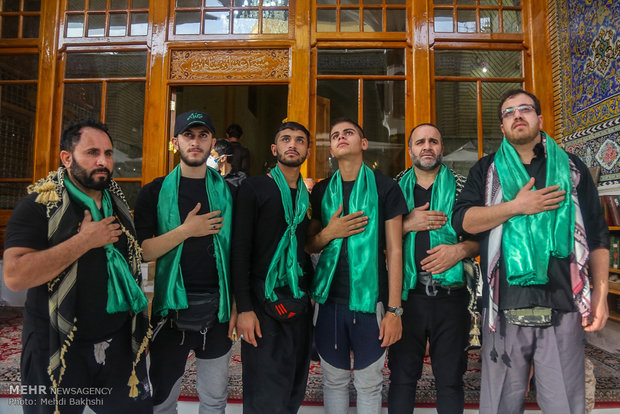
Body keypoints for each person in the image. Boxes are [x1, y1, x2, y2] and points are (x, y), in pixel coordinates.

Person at [452, 89, 610, 414]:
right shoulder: (486, 171)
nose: (517, 115)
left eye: (525, 109)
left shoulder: (572, 167)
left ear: (539, 118)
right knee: (500, 407)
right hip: (505, 307)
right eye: (509, 112)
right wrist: (516, 207)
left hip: (563, 304)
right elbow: (464, 221)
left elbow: (596, 235)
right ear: (503, 126)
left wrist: (602, 294)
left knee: (564, 405)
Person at [3, 119, 151, 414]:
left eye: (108, 154)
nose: (103, 161)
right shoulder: (39, 205)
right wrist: (84, 241)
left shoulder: (117, 206)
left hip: (117, 348)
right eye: (92, 152)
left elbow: (136, 255)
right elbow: (15, 275)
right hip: (56, 347)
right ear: (66, 158)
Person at [133, 110, 236, 414]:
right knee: (162, 398)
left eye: (202, 135)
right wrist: (186, 230)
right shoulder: (154, 191)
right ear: (175, 141)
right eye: (188, 135)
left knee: (215, 398)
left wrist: (235, 304)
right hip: (170, 308)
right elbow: (144, 250)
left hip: (217, 308)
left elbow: (239, 253)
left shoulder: (229, 193)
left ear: (212, 142)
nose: (195, 142)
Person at [306, 117, 407, 414]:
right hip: (329, 302)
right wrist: (329, 233)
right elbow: (310, 245)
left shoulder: (385, 187)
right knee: (334, 380)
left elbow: (396, 250)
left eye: (348, 133)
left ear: (363, 144)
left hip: (370, 303)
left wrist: (394, 310)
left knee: (369, 382)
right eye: (335, 135)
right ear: (331, 149)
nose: (340, 137)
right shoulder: (321, 191)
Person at [387, 123, 479, 413]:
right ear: (411, 149)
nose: (427, 146)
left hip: (451, 297)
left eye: (433, 141)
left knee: (450, 379)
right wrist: (405, 225)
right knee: (402, 377)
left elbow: (484, 236)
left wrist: (460, 250)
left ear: (442, 147)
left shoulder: (465, 187)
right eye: (420, 142)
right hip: (406, 297)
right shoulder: (391, 191)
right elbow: (372, 238)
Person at [232, 121, 314, 414]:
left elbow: (307, 246)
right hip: (262, 302)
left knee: (294, 386)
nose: (293, 144)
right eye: (286, 139)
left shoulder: (307, 196)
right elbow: (239, 251)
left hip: (298, 301)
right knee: (265, 393)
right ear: (274, 148)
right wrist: (244, 308)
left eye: (300, 140)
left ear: (307, 149)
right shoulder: (254, 188)